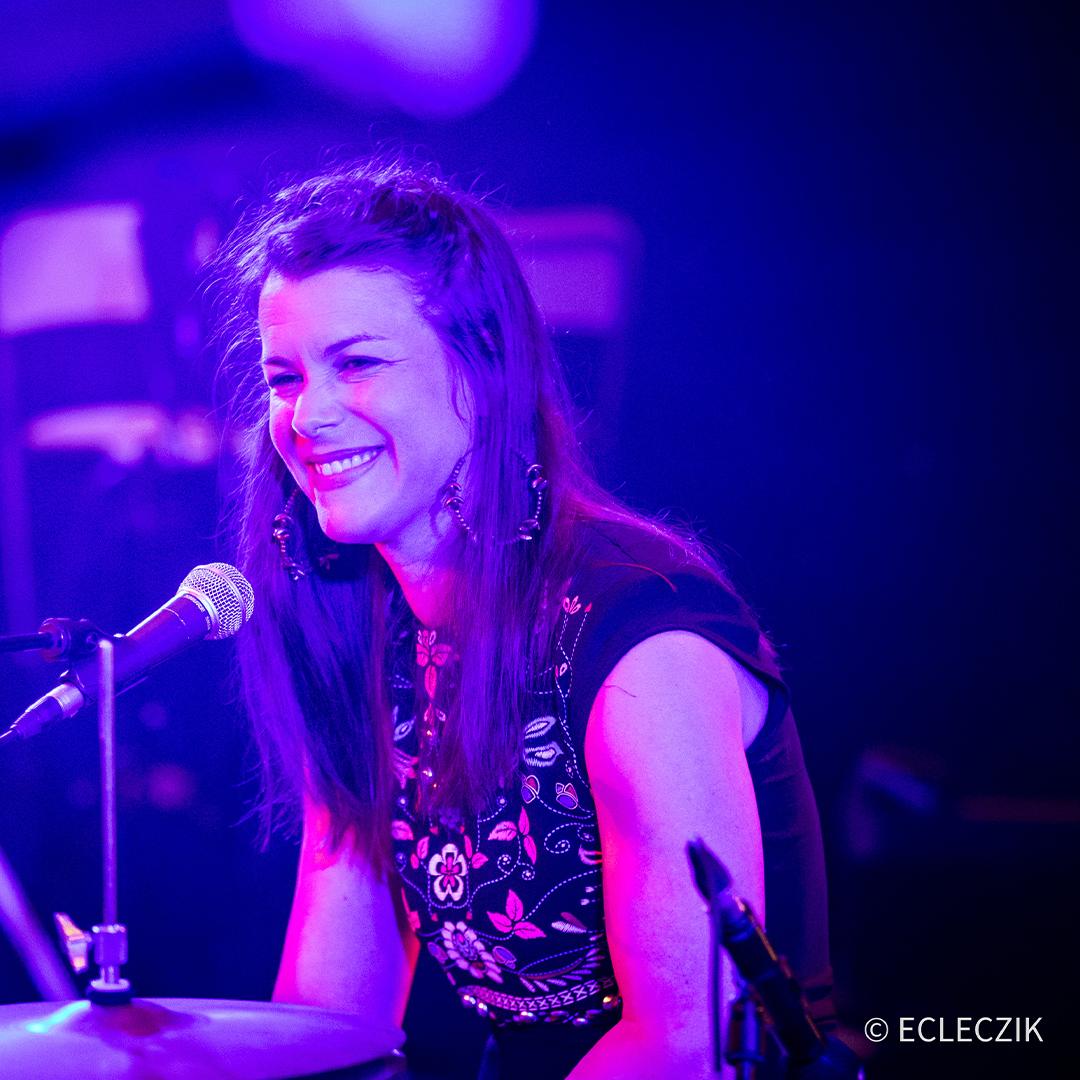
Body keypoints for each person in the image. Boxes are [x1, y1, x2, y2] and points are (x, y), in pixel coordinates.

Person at [208, 158, 832, 1080]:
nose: (310, 415)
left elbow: (687, 1044)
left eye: (357, 364)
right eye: (284, 377)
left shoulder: (639, 640)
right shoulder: (359, 633)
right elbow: (331, 1025)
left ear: (482, 368)